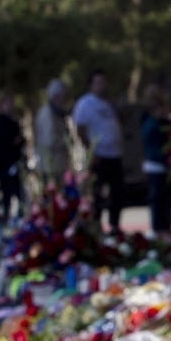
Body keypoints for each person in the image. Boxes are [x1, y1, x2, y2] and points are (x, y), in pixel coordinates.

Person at [73, 68, 124, 234]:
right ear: (91, 85)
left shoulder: (108, 104)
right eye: (98, 82)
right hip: (98, 156)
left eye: (104, 82)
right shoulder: (86, 104)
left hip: (114, 154)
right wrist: (91, 151)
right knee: (97, 193)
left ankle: (114, 225)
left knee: (117, 192)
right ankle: (96, 225)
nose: (102, 86)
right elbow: (80, 129)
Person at [140, 84, 171, 237]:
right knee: (157, 196)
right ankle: (158, 226)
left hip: (163, 161)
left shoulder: (162, 119)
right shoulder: (149, 121)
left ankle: (165, 225)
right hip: (155, 161)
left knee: (166, 196)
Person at [34, 78, 72, 186]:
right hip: (51, 167)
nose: (65, 99)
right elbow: (49, 140)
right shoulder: (47, 114)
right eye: (63, 96)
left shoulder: (56, 113)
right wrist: (66, 143)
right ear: (56, 96)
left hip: (57, 166)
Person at [0, 91, 26, 219]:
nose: (11, 105)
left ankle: (19, 216)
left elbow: (20, 140)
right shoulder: (1, 121)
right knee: (7, 193)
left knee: (18, 192)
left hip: (15, 161)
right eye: (7, 103)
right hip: (5, 163)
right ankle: (6, 217)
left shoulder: (13, 120)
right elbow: (9, 140)